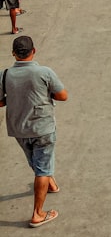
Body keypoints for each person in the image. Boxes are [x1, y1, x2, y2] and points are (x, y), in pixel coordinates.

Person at [0, 35, 68, 227]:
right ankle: (38, 213)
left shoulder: (4, 74)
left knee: (35, 161)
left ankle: (51, 184)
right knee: (42, 168)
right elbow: (63, 96)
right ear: (34, 51)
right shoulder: (44, 72)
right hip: (42, 127)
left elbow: (0, 101)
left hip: (19, 129)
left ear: (13, 54)